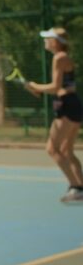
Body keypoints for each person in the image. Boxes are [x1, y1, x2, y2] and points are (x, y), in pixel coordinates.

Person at [26, 27, 83, 203]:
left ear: (57, 42)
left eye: (48, 38)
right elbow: (61, 87)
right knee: (67, 150)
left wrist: (36, 86)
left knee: (52, 149)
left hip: (67, 106)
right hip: (72, 104)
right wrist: (39, 90)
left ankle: (75, 188)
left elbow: (56, 87)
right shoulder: (63, 57)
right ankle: (80, 187)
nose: (45, 41)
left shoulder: (59, 57)